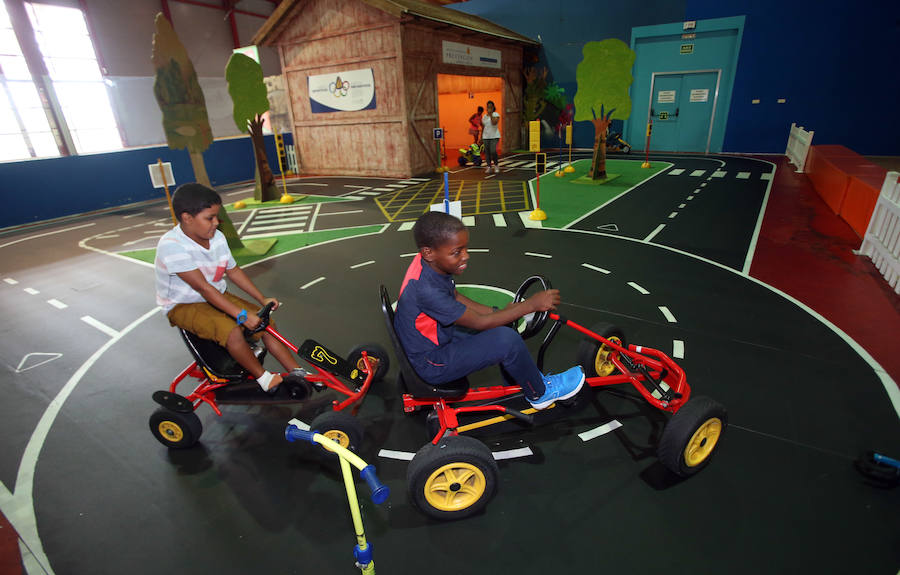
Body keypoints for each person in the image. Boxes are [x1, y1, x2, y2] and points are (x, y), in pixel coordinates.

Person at [393, 211, 584, 410]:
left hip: (429, 343)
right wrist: (530, 305)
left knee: (500, 327)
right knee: (506, 340)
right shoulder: (427, 290)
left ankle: (522, 379)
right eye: (456, 252)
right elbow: (479, 322)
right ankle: (540, 393)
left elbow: (456, 297)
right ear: (428, 252)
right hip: (432, 363)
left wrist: (496, 312)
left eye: (465, 248)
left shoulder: (428, 266)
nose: (466, 256)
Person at [155, 183, 302, 392]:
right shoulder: (172, 245)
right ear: (187, 218)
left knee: (265, 323)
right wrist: (242, 315)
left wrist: (262, 299)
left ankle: (298, 373)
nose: (216, 222)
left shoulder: (217, 237)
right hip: (183, 304)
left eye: (217, 216)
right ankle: (264, 379)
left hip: (215, 294)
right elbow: (204, 288)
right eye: (210, 218)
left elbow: (233, 271)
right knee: (232, 332)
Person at [480, 100, 501, 174]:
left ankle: (496, 165)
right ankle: (489, 166)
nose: (489, 108)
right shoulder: (484, 116)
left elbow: (494, 123)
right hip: (486, 136)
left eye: (490, 107)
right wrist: (481, 138)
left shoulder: (496, 114)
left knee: (493, 151)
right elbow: (483, 127)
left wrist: (491, 114)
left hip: (494, 136)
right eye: (488, 107)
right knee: (487, 152)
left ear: (493, 107)